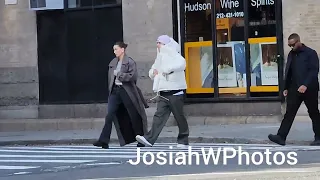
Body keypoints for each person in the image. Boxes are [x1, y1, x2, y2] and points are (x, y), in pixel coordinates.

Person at [136, 35, 189, 147]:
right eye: (157, 43)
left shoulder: (174, 55)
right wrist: (153, 73)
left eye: (159, 43)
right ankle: (149, 139)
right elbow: (153, 69)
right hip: (163, 92)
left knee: (179, 117)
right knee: (158, 117)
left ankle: (183, 140)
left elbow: (182, 64)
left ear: (166, 45)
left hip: (175, 92)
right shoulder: (159, 57)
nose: (157, 45)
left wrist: (167, 70)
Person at [93, 41, 148, 149]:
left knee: (134, 114)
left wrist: (120, 75)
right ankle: (104, 140)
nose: (114, 51)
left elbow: (133, 76)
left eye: (116, 49)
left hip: (127, 91)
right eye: (114, 49)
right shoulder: (113, 62)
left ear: (122, 49)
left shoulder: (130, 62)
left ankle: (141, 138)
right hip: (115, 91)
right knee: (109, 115)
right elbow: (110, 78)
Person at [268, 33, 320, 146]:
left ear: (298, 42)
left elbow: (314, 71)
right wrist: (285, 87)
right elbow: (289, 71)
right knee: (289, 113)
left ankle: (318, 137)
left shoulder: (310, 53)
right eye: (289, 45)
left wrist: (305, 85)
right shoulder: (292, 54)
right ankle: (281, 137)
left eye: (293, 45)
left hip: (309, 89)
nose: (291, 47)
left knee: (314, 113)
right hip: (294, 89)